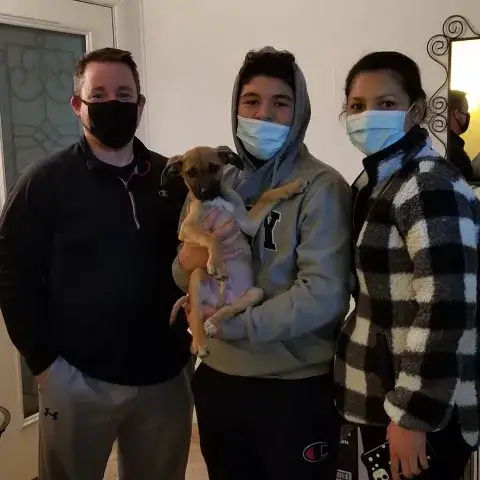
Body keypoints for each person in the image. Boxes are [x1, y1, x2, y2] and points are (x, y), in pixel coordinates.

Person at [0, 48, 193, 480]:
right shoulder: (43, 182)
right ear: (77, 105)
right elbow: (12, 275)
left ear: (140, 105)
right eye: (99, 95)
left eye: (124, 95)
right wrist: (44, 365)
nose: (112, 104)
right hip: (76, 378)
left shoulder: (175, 178)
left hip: (165, 377)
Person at [172, 47, 352, 480]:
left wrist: (233, 325)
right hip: (217, 378)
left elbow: (322, 296)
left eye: (280, 103)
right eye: (251, 101)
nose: (263, 115)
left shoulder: (321, 186)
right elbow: (181, 271)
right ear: (236, 107)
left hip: (292, 387)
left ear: (300, 111)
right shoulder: (213, 177)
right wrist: (191, 257)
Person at [334, 51, 480, 480]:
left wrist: (413, 416)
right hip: (381, 396)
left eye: (386, 103)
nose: (369, 116)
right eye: (357, 106)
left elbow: (448, 307)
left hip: (420, 412)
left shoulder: (429, 183)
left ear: (416, 110)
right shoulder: (377, 182)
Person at [448, 89, 474, 180]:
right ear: (456, 114)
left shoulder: (446, 142)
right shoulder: (453, 149)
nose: (467, 115)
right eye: (465, 111)